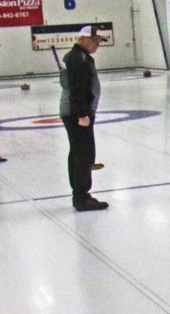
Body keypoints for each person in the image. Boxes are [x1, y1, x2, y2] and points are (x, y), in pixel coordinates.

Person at [60, 26, 108, 212]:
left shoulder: (78, 57)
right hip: (77, 113)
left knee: (79, 153)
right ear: (83, 39)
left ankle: (81, 195)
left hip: (77, 111)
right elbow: (78, 88)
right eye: (95, 41)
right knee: (82, 154)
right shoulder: (78, 59)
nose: (97, 45)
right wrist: (82, 114)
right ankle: (81, 198)